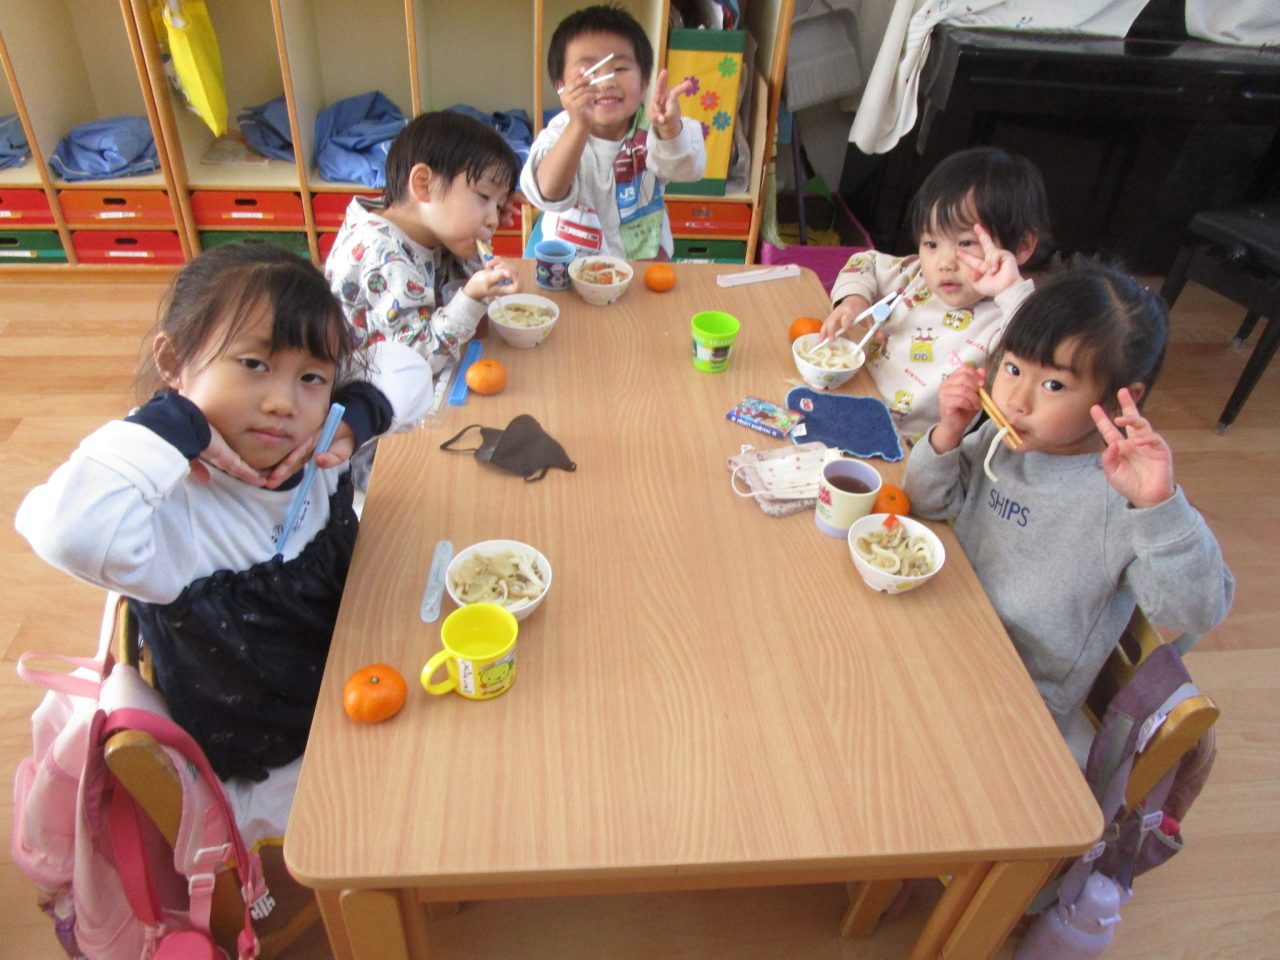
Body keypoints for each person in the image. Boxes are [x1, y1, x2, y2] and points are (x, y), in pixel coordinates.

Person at [16, 242, 432, 837]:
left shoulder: (318, 446)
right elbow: (67, 529)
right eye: (253, 364)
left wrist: (354, 414)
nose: (282, 403)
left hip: (367, 656)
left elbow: (405, 365)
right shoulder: (171, 512)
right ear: (175, 359)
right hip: (286, 755)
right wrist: (175, 423)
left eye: (311, 377)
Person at [902, 260, 1234, 762]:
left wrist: (1159, 507)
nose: (1017, 400)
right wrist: (948, 431)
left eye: (1054, 386)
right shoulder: (1003, 439)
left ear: (1122, 401)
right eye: (1013, 369)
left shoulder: (1123, 498)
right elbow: (930, 502)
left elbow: (1198, 610)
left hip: (1016, 699)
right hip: (950, 625)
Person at [819, 146, 1050, 443]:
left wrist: (1010, 289)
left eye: (965, 243)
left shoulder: (1006, 320)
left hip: (901, 444)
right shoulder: (918, 276)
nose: (944, 263)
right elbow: (865, 262)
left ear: (1021, 246)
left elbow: (1046, 345)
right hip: (848, 393)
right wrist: (854, 300)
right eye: (931, 244)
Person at [325, 109, 522, 379]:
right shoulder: (382, 255)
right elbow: (415, 361)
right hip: (370, 388)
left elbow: (452, 287)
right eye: (484, 196)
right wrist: (472, 297)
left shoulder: (427, 227)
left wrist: (481, 244)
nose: (494, 220)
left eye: (498, 206)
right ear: (423, 185)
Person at [520, 3, 706, 261]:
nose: (607, 82)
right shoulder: (561, 131)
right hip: (572, 264)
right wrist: (579, 126)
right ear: (562, 88)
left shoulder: (654, 129)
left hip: (643, 261)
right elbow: (548, 192)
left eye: (620, 69)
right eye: (589, 72)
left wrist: (670, 129)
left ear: (643, 83)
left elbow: (688, 169)